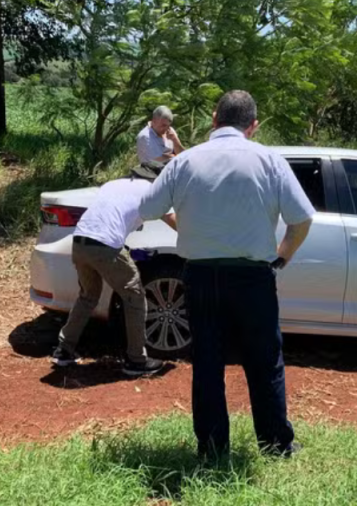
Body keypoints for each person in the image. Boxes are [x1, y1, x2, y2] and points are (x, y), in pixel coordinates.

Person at [139, 90, 314, 459]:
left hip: (200, 275)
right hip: (254, 277)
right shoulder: (269, 160)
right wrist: (281, 258)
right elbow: (301, 220)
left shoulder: (184, 162)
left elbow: (150, 206)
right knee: (264, 361)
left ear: (214, 118)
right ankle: (276, 444)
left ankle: (213, 447)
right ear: (253, 126)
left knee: (206, 362)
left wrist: (185, 222)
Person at [53, 161, 178, 376]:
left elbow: (112, 215)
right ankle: (136, 360)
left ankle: (64, 350)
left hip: (80, 243)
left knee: (88, 296)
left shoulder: (113, 185)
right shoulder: (152, 191)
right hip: (105, 246)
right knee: (135, 297)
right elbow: (174, 222)